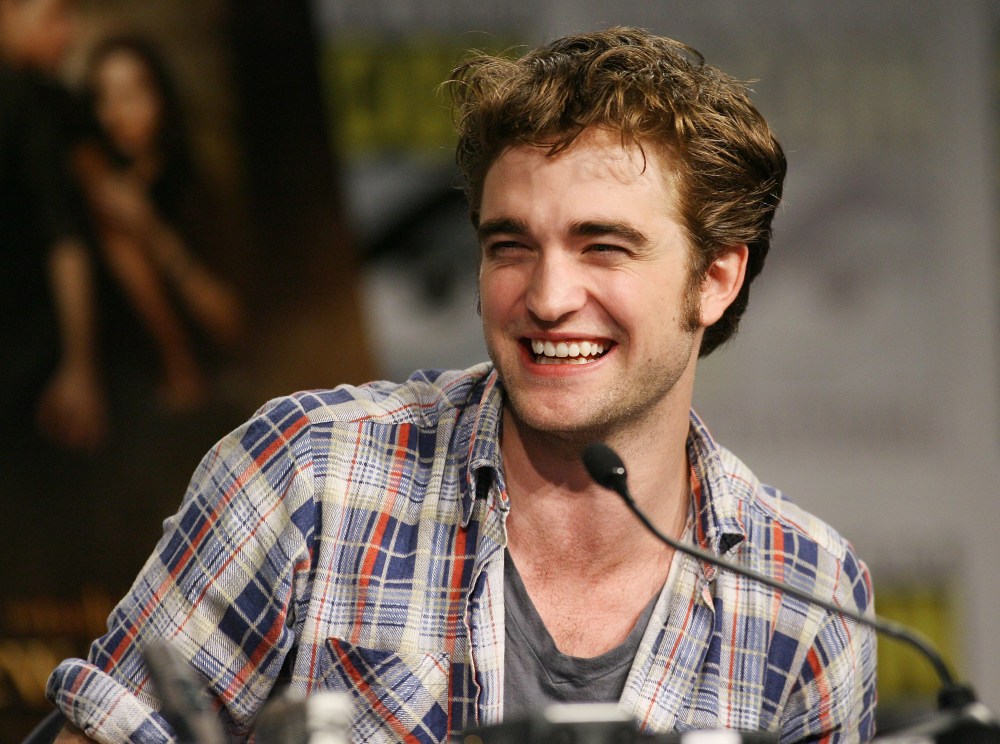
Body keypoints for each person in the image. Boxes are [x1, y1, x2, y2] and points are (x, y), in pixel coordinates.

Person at [47, 27, 876, 743]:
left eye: (603, 247)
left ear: (716, 279)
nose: (547, 298)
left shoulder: (807, 597)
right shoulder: (308, 477)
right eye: (511, 246)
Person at [75, 35, 244, 411]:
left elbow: (232, 324)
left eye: (130, 95)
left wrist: (151, 230)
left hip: (214, 384)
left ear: (161, 98)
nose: (116, 114)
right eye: (103, 98)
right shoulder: (98, 182)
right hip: (129, 390)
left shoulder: (191, 189)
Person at [0, 0, 106, 451]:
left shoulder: (47, 96)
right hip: (29, 360)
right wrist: (79, 367)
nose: (67, 33)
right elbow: (62, 233)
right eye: (54, 15)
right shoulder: (24, 96)